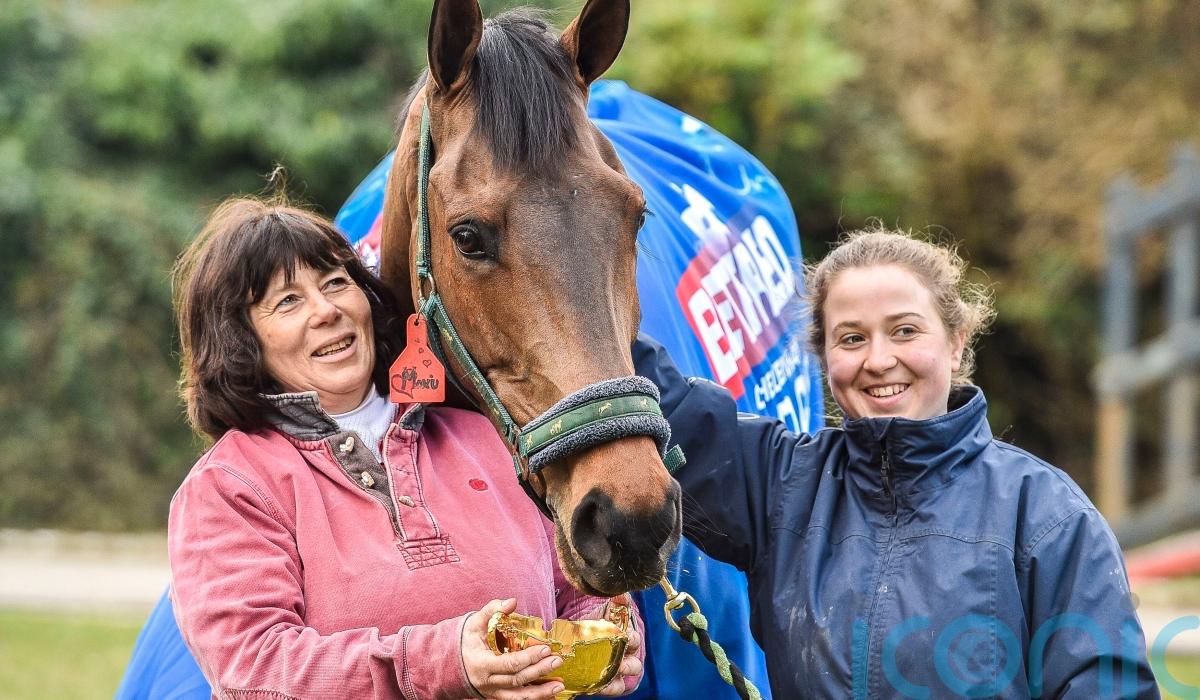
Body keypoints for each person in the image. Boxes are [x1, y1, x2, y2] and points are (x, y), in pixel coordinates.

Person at [634, 227, 1160, 698]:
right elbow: (654, 396)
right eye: (852, 338)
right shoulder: (781, 484)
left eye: (905, 331)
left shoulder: (1047, 515)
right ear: (824, 357)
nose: (879, 360)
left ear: (955, 344)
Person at [168, 197, 643, 700]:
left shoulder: (489, 437)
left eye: (336, 283)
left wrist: (604, 637)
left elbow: (578, 589)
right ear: (240, 340)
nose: (326, 311)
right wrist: (440, 663)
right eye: (287, 301)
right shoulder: (228, 486)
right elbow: (252, 669)